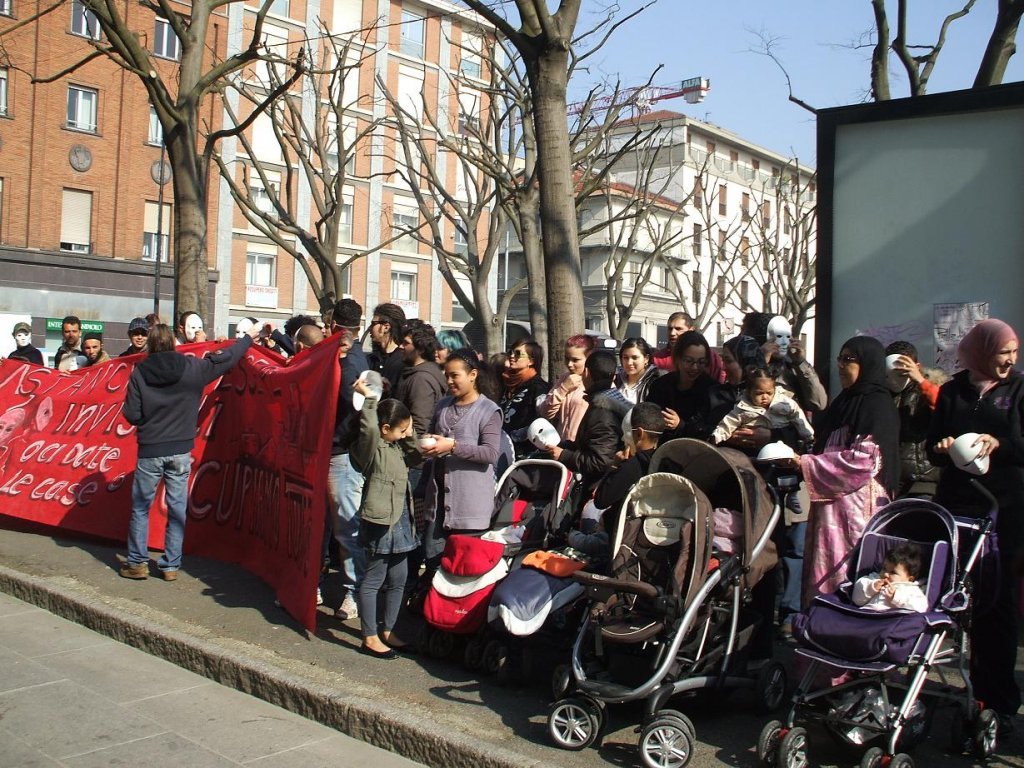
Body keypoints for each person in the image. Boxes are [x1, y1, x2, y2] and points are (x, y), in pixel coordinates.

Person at [927, 318, 1023, 733]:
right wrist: (943, 446)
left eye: (1013, 353)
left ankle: (997, 698)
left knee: (996, 602)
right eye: (1003, 354)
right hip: (957, 503)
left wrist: (1000, 444)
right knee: (949, 595)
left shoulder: (1019, 390)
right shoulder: (953, 390)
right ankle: (950, 685)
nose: (1009, 361)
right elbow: (931, 446)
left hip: (1005, 509)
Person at [120, 322, 258, 580]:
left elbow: (132, 413)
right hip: (181, 448)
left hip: (150, 448)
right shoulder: (191, 367)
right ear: (174, 343)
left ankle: (137, 562)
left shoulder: (139, 373)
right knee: (176, 508)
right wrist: (247, 340)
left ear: (150, 345)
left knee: (141, 508)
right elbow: (225, 361)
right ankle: (171, 565)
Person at [792, 335, 899, 605]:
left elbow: (865, 461)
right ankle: (823, 625)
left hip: (858, 508)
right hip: (830, 505)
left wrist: (806, 463)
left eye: (849, 360)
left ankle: (847, 626)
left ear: (868, 363)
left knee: (849, 570)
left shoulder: (878, 404)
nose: (841, 365)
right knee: (824, 567)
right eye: (839, 359)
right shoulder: (843, 402)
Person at [350, 389, 422, 659]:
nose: (404, 434)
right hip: (380, 520)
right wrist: (369, 399)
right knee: (374, 579)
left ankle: (389, 630)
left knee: (399, 578)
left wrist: (409, 432)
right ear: (385, 427)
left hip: (401, 518)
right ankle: (369, 636)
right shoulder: (370, 448)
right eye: (400, 430)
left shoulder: (396, 445)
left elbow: (416, 458)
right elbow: (368, 429)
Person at [418, 349, 503, 573]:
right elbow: (430, 434)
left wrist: (453, 446)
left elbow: (490, 454)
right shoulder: (443, 406)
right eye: (447, 375)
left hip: (469, 510)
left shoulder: (488, 410)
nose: (449, 381)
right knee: (434, 568)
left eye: (455, 375)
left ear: (473, 375)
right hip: (438, 508)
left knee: (462, 573)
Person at [327, 298, 369, 621]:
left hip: (341, 456)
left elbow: (351, 401)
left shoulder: (352, 363)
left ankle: (354, 593)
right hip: (330, 453)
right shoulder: (345, 357)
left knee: (346, 528)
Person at [544, 350, 630, 501]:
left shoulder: (602, 411)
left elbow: (600, 461)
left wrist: (563, 455)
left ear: (586, 372)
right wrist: (567, 446)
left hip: (599, 490)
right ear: (613, 376)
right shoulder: (612, 399)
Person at [884, 340, 942, 498]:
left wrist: (921, 381)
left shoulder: (926, 391)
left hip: (922, 479)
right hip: (890, 478)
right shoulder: (882, 394)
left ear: (916, 366)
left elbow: (944, 410)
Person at [711, 367, 814, 447]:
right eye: (759, 393)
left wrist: (808, 436)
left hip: (781, 444)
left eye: (769, 393)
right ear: (749, 392)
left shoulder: (785, 403)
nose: (765, 397)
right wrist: (716, 437)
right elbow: (728, 423)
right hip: (752, 447)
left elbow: (799, 419)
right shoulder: (742, 408)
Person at [644, 330, 717, 442]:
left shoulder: (712, 390)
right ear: (677, 359)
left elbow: (710, 431)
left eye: (701, 362)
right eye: (689, 361)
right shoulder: (661, 385)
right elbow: (646, 419)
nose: (695, 367)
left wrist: (680, 425)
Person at [540, 334, 597, 442]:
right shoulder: (564, 378)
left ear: (590, 359)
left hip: (583, 448)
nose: (570, 364)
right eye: (567, 359)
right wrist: (563, 389)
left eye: (575, 360)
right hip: (561, 446)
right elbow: (545, 412)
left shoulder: (597, 381)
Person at [500, 339, 549, 458]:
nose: (512, 356)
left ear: (531, 361)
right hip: (502, 448)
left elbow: (543, 418)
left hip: (525, 453)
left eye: (517, 354)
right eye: (510, 352)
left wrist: (521, 435)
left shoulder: (538, 387)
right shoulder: (509, 385)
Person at [852, 543, 929, 613]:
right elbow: (856, 599)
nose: (886, 574)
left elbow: (920, 608)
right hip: (866, 614)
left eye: (893, 573)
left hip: (890, 621)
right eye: (884, 568)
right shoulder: (874, 578)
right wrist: (871, 587)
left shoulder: (911, 589)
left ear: (910, 579)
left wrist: (896, 597)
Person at [367, 303, 407, 392]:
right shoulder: (371, 359)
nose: (370, 328)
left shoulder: (403, 362)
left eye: (373, 324)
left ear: (385, 327)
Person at [614, 337, 660, 404]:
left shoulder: (655, 383)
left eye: (634, 358)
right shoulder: (615, 380)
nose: (629, 362)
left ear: (646, 359)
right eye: (625, 358)